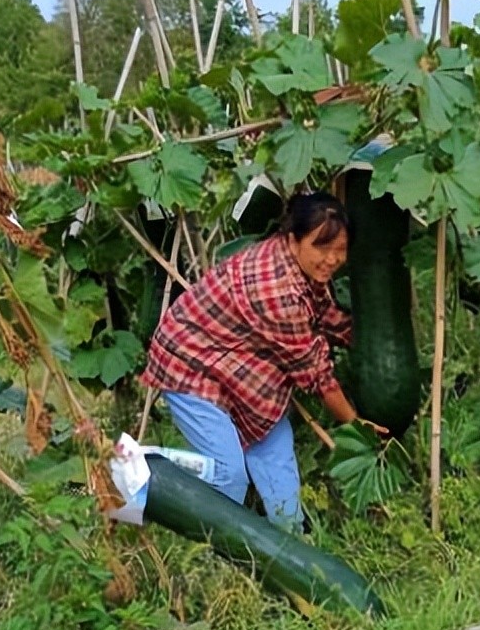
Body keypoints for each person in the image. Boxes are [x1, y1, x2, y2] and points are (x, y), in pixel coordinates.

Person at [140, 191, 387, 534]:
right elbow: (316, 375)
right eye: (321, 247)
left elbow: (323, 312)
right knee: (228, 473)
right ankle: (131, 472)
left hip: (242, 369)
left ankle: (291, 544)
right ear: (293, 240)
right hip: (190, 362)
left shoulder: (301, 268)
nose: (331, 259)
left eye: (340, 250)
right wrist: (355, 424)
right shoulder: (276, 289)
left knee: (278, 464)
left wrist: (374, 342)